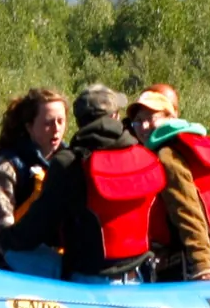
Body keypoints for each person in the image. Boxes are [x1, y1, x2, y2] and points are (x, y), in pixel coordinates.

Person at [16, 85, 164, 283]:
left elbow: (36, 227)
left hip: (87, 280)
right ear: (115, 118)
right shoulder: (144, 157)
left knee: (11, 249)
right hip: (139, 275)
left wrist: (5, 239)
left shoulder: (69, 163)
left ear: (79, 122)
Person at [126, 84, 210, 282]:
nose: (143, 127)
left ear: (169, 118)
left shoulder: (167, 155)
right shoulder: (189, 142)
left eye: (151, 119)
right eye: (138, 121)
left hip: (195, 260)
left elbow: (187, 210)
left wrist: (203, 267)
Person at [0, 88, 69, 277]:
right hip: (13, 254)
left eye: (61, 121)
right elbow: (1, 234)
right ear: (29, 127)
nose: (56, 129)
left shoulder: (70, 162)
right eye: (48, 123)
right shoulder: (8, 166)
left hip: (57, 251)